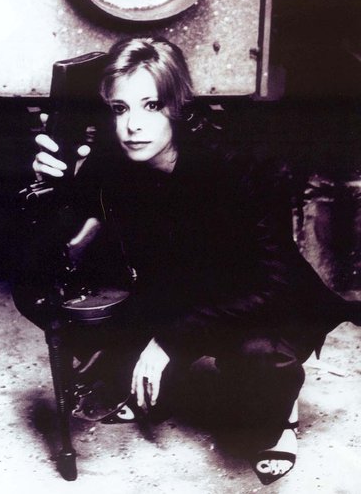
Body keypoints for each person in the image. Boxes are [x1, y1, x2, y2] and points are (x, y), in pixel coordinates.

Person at [20, 37, 359, 484]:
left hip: (259, 302)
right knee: (103, 349)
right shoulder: (116, 160)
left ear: (177, 106)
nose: (133, 126)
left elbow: (270, 285)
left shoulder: (234, 167)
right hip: (183, 291)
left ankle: (281, 416)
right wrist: (45, 188)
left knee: (259, 365)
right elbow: (63, 243)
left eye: (151, 106)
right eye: (120, 108)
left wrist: (168, 342)